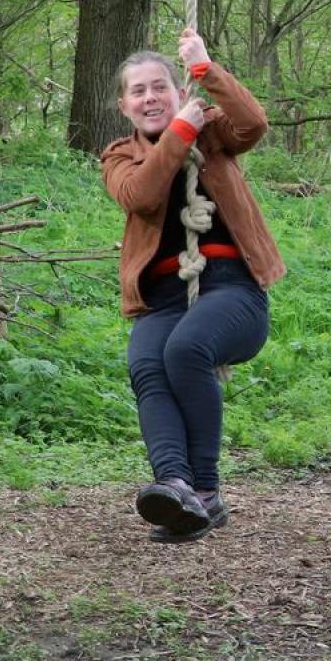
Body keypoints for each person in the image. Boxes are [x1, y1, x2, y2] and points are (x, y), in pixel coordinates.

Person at [101, 29, 282, 544]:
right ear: (124, 105)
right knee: (146, 363)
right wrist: (180, 132)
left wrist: (205, 69)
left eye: (160, 86)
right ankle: (174, 488)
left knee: (186, 348)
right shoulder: (119, 157)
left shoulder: (212, 133)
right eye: (138, 90)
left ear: (177, 91)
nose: (150, 97)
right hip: (161, 299)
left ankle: (204, 491)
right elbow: (141, 193)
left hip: (232, 290)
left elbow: (253, 124)